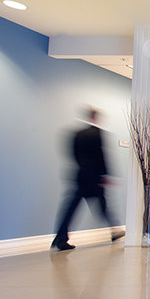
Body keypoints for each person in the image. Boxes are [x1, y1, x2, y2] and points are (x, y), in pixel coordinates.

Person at [52, 107, 124, 251]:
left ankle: (60, 237)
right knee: (102, 206)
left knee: (72, 209)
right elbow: (101, 155)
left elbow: (72, 154)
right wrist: (106, 175)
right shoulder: (97, 133)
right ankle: (114, 230)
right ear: (95, 117)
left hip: (81, 176)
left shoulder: (77, 134)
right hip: (94, 177)